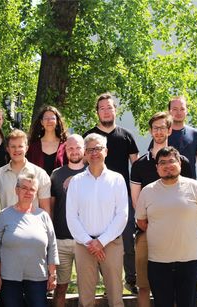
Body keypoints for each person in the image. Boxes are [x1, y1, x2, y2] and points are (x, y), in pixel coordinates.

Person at [135, 146, 197, 306]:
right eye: (162, 162)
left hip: (188, 259)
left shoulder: (196, 187)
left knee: (187, 303)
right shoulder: (147, 191)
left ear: (179, 163)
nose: (167, 166)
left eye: (171, 161)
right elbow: (141, 221)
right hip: (158, 261)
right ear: (157, 168)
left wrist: (195, 235)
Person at [130, 111, 193, 307]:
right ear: (150, 131)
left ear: (169, 130)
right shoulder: (140, 164)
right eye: (155, 128)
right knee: (144, 285)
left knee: (175, 286)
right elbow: (136, 201)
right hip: (146, 232)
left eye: (162, 128)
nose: (158, 131)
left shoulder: (181, 162)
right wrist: (152, 227)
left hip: (178, 234)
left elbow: (191, 196)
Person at [84, 93, 139, 294]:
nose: (106, 111)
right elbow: (82, 166)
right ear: (97, 112)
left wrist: (137, 196)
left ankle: (131, 280)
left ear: (115, 110)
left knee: (127, 241)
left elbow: (137, 166)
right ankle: (107, 284)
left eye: (109, 107)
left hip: (122, 198)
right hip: (96, 198)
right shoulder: (89, 136)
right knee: (100, 241)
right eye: (102, 108)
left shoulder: (126, 135)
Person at [66, 133, 128, 307]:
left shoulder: (117, 179)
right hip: (83, 245)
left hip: (111, 244)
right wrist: (89, 242)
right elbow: (71, 216)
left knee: (116, 298)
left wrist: (101, 241)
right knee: (85, 300)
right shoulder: (76, 182)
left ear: (106, 151)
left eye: (98, 148)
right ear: (85, 154)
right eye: (90, 150)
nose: (94, 153)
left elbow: (122, 215)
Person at [0, 173, 59, 307]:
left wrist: (53, 274)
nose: (28, 192)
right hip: (9, 277)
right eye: (24, 188)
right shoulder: (4, 215)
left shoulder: (43, 216)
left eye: (32, 189)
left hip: (38, 277)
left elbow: (52, 246)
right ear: (17, 190)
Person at [50, 134, 86, 307]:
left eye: (78, 147)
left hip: (86, 241)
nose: (74, 151)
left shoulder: (92, 172)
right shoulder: (56, 175)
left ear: (84, 149)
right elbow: (50, 208)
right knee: (60, 288)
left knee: (87, 289)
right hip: (61, 239)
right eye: (70, 148)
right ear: (65, 150)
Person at [0, 129, 51, 213]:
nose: (16, 150)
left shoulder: (40, 174)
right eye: (13, 146)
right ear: (8, 149)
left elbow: (45, 210)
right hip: (6, 225)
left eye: (20, 146)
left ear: (26, 148)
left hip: (31, 225)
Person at [167, 96, 197, 178]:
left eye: (182, 109)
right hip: (166, 186)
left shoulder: (196, 135)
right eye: (175, 109)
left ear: (186, 111)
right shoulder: (162, 134)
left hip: (189, 186)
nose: (179, 112)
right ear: (169, 111)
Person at [27, 106, 68, 175]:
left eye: (52, 118)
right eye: (46, 118)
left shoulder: (65, 146)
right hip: (38, 185)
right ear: (41, 122)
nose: (49, 121)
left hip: (60, 185)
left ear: (57, 122)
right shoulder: (33, 146)